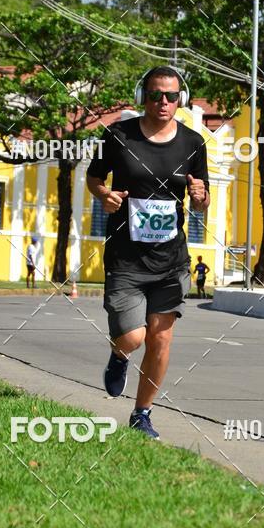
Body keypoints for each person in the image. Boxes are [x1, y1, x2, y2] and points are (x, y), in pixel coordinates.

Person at [86, 65, 210, 439]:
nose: (163, 102)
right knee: (134, 338)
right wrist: (103, 195)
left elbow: (202, 197)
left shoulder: (193, 143)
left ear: (180, 100)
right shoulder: (117, 135)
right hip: (126, 258)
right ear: (144, 96)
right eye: (156, 94)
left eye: (171, 96)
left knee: (161, 338)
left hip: (171, 260)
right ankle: (119, 355)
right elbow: (94, 177)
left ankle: (142, 413)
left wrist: (202, 198)